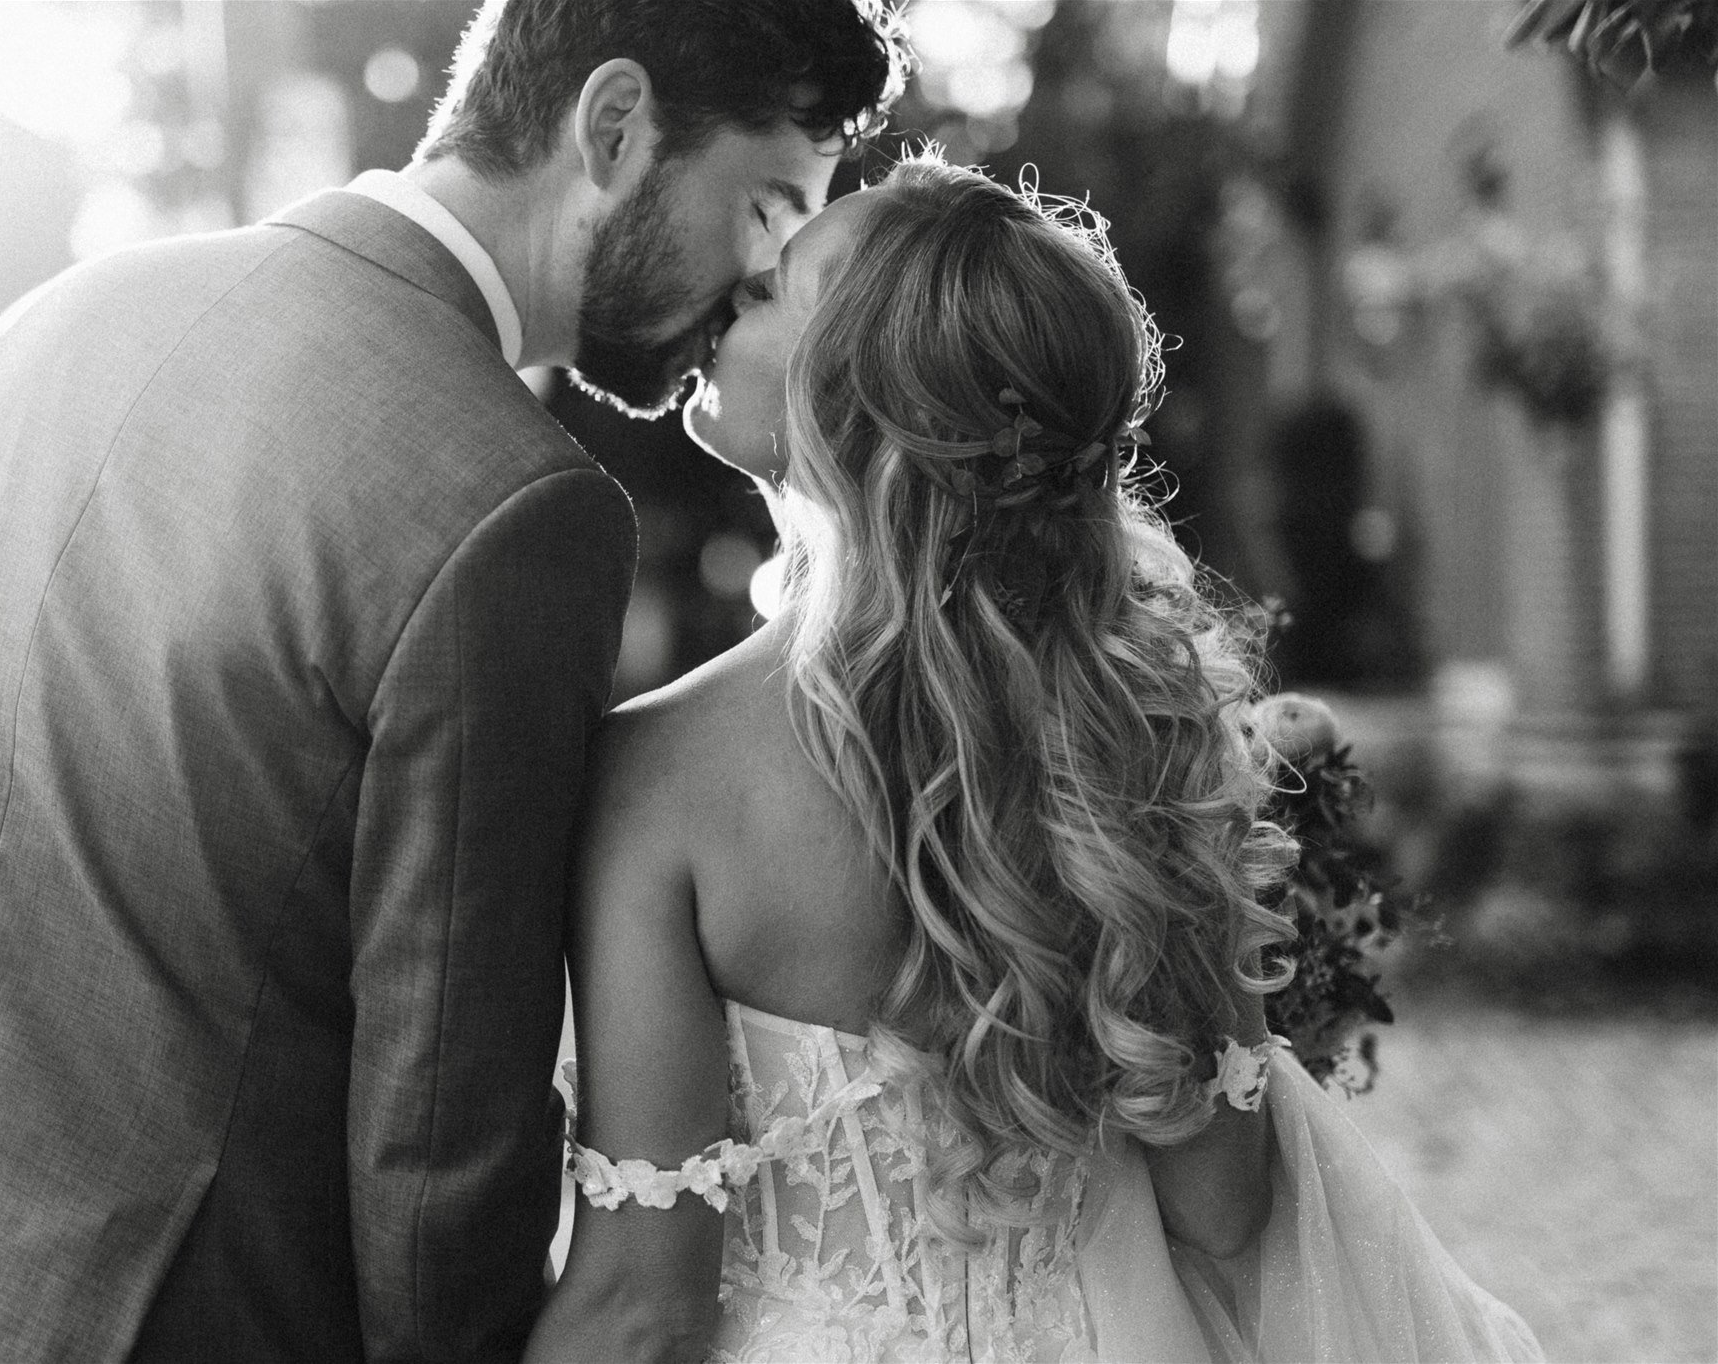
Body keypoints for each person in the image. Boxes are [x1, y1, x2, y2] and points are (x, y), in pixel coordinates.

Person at [0, 3, 906, 1361]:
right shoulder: (511, 504)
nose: (760, 276)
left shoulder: (43, 326)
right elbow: (440, 1145)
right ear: (614, 129)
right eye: (769, 208)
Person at [526, 158, 1544, 1362]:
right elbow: (1222, 1213)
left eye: (760, 296)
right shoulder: (1131, 742)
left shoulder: (661, 781)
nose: (715, 303)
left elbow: (643, 1307)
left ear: (849, 395)